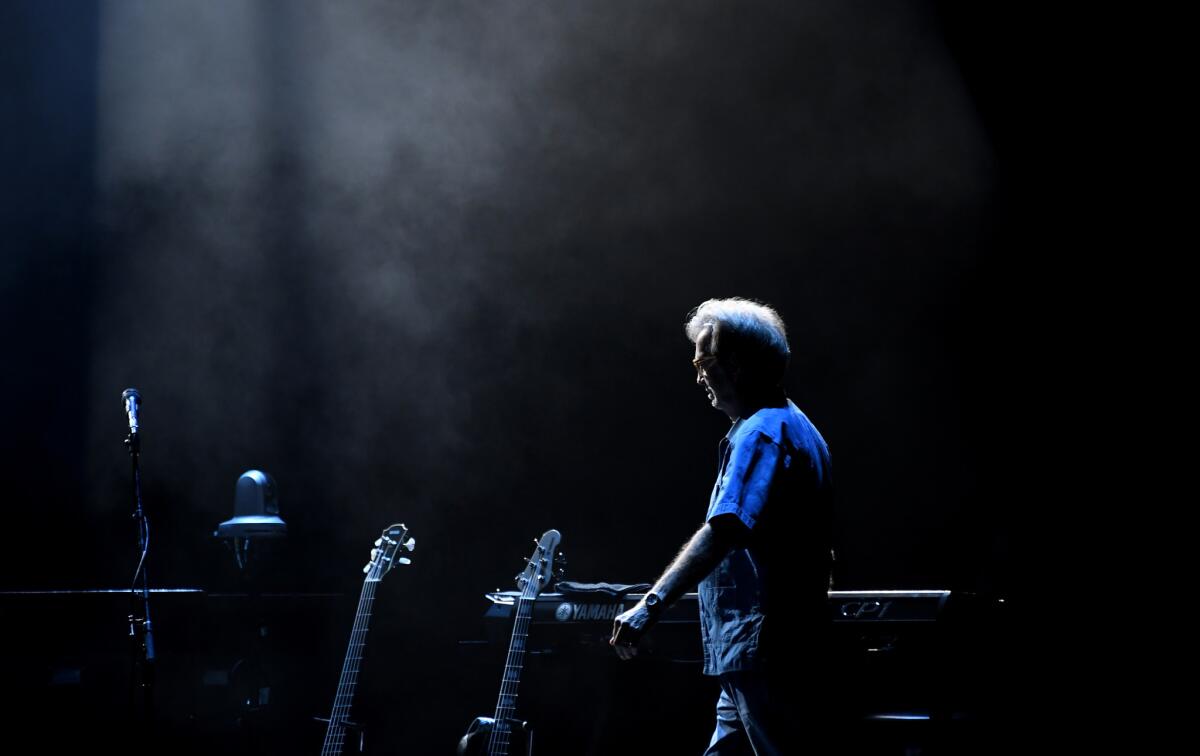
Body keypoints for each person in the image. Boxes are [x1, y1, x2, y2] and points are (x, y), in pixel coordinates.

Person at [610, 297, 833, 755]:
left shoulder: (761, 433)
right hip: (755, 652)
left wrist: (650, 605)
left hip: (764, 649)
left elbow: (725, 528)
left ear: (737, 364)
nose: (698, 375)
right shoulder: (795, 426)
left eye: (704, 361)